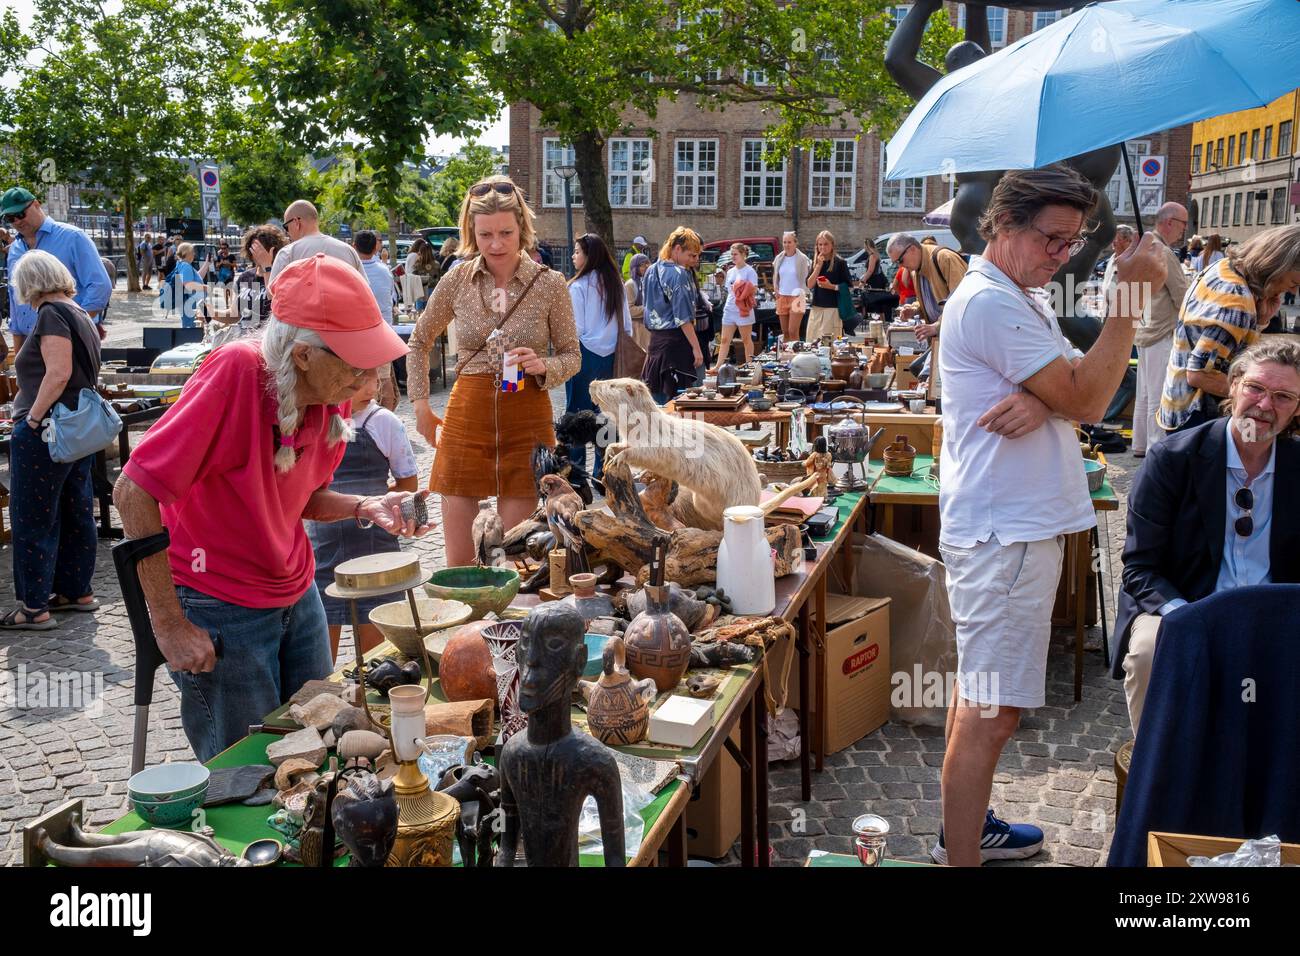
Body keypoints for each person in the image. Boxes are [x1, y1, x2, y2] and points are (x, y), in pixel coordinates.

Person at [934, 164, 1167, 866]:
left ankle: (965, 833)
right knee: (991, 715)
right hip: (1005, 532)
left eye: (1074, 243)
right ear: (1004, 225)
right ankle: (962, 856)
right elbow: (1092, 398)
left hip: (1010, 527)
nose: (1062, 256)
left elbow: (1081, 381)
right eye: (1053, 240)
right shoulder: (992, 302)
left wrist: (1048, 398)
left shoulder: (1015, 293)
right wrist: (1127, 302)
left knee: (981, 700)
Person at [113, 255, 420, 762]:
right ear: (303, 355)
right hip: (219, 603)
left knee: (318, 745)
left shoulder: (332, 389)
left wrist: (365, 504)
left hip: (296, 594)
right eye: (355, 361)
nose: (368, 375)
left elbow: (301, 497)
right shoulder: (237, 372)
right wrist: (167, 624)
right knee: (248, 768)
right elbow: (133, 490)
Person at [1116, 339, 1300, 733]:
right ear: (1233, 385)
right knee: (1149, 652)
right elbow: (1140, 568)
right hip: (1187, 604)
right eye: (1256, 388)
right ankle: (1159, 774)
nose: (1265, 406)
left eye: (1283, 396)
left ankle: (1276, 781)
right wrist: (1188, 617)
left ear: (1297, 408)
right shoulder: (1173, 458)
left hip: (1274, 612)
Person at [406, 175, 579, 567]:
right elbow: (418, 341)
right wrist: (419, 407)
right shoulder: (457, 278)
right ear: (471, 233)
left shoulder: (549, 284)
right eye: (485, 235)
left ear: (523, 229)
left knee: (513, 559)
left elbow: (572, 355)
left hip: (526, 410)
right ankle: (464, 625)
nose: (496, 244)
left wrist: (543, 365)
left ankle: (506, 626)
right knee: (461, 563)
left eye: (506, 232)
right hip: (468, 412)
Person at [0, 251, 102, 630]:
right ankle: (76, 590)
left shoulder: (51, 314)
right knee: (75, 510)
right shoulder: (77, 311)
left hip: (49, 429)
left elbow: (57, 374)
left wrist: (32, 419)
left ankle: (33, 606)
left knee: (32, 517)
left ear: (28, 283)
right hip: (74, 427)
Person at [307, 369, 420, 659]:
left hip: (374, 547)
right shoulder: (317, 418)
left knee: (376, 656)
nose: (371, 387)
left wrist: (395, 512)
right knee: (319, 651)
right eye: (362, 378)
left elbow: (408, 482)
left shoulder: (384, 421)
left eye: (375, 378)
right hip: (323, 547)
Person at [1158, 224, 1300, 435]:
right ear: (1276, 265)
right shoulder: (1237, 303)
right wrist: (1263, 396)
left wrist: (1260, 319)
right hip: (1199, 415)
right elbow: (1199, 375)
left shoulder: (1224, 267)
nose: (1294, 291)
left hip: (1178, 402)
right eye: (1293, 282)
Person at [2, 187, 111, 353]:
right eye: (10, 218)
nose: (17, 221)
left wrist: (75, 327)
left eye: (21, 214)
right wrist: (20, 355)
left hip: (69, 339)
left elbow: (100, 287)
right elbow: (16, 301)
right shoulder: (15, 250)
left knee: (61, 378)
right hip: (31, 344)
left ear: (37, 204)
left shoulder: (73, 237)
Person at [564, 233, 631, 477]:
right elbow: (627, 326)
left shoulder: (578, 286)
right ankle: (604, 471)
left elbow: (577, 328)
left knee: (576, 414)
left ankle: (576, 472)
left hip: (583, 354)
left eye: (577, 252)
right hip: (612, 355)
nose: (573, 256)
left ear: (589, 256)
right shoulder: (615, 283)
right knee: (606, 414)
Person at [1130, 204, 1189, 457]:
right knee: (1157, 394)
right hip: (1161, 330)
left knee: (1143, 393)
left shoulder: (1144, 247)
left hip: (1143, 328)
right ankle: (1155, 449)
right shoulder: (1163, 251)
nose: (1184, 231)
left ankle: (1140, 444)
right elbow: (1181, 295)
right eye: (1183, 224)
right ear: (1169, 222)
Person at [640, 227, 705, 404]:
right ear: (677, 249)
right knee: (680, 407)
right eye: (692, 255)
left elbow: (647, 310)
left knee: (658, 405)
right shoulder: (679, 274)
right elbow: (683, 318)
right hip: (676, 346)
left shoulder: (650, 271)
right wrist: (697, 349)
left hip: (655, 344)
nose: (695, 260)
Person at [270, 199, 363, 283]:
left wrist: (265, 268)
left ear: (296, 222)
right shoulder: (348, 251)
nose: (287, 232)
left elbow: (273, 294)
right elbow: (365, 289)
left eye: (286, 227)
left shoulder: (288, 253)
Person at [234, 224, 288, 338]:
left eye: (261, 249)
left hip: (268, 340)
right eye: (253, 248)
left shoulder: (282, 275)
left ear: (273, 250)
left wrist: (267, 267)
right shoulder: (245, 277)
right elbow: (235, 314)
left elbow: (275, 305)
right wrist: (212, 312)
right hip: (244, 339)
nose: (257, 253)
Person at [712, 242, 758, 369]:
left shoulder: (750, 271)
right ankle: (717, 366)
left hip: (743, 309)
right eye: (732, 254)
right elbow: (729, 290)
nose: (733, 257)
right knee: (725, 339)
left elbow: (754, 289)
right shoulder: (731, 271)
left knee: (746, 339)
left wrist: (744, 287)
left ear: (743, 254)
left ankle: (749, 365)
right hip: (730, 308)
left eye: (735, 254)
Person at [806, 231, 851, 341]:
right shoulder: (815, 262)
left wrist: (831, 286)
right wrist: (818, 266)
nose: (822, 247)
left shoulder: (840, 263)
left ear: (832, 245)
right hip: (816, 308)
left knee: (830, 343)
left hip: (833, 309)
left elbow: (848, 287)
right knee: (812, 341)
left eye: (826, 244)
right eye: (820, 244)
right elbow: (809, 284)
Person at [772, 231, 810, 343]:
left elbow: (806, 278)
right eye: (784, 242)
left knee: (793, 331)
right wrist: (775, 288)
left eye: (789, 242)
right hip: (782, 296)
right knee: (785, 332)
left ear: (795, 243)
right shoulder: (779, 258)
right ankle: (786, 357)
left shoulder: (802, 258)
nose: (787, 245)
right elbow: (776, 275)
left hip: (797, 297)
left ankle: (796, 357)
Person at [354, 230, 396, 323]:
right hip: (384, 326)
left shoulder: (349, 271)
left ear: (354, 247)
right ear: (375, 248)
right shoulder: (385, 271)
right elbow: (392, 298)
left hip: (359, 326)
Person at [166, 243, 208, 329]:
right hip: (189, 301)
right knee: (190, 327)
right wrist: (205, 287)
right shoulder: (186, 266)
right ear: (187, 253)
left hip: (188, 301)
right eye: (192, 252)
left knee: (190, 324)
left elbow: (197, 278)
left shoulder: (182, 264)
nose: (194, 254)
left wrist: (207, 263)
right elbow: (188, 284)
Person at [624, 252, 651, 350]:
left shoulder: (650, 281)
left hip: (649, 327)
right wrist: (649, 308)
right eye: (642, 265)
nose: (646, 267)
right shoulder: (630, 285)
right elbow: (629, 310)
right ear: (635, 267)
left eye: (647, 263)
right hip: (637, 330)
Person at [1100, 225, 1134, 296]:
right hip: (1108, 304)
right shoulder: (1113, 258)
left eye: (1116, 238)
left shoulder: (1132, 261)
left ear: (1127, 241)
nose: (1113, 242)